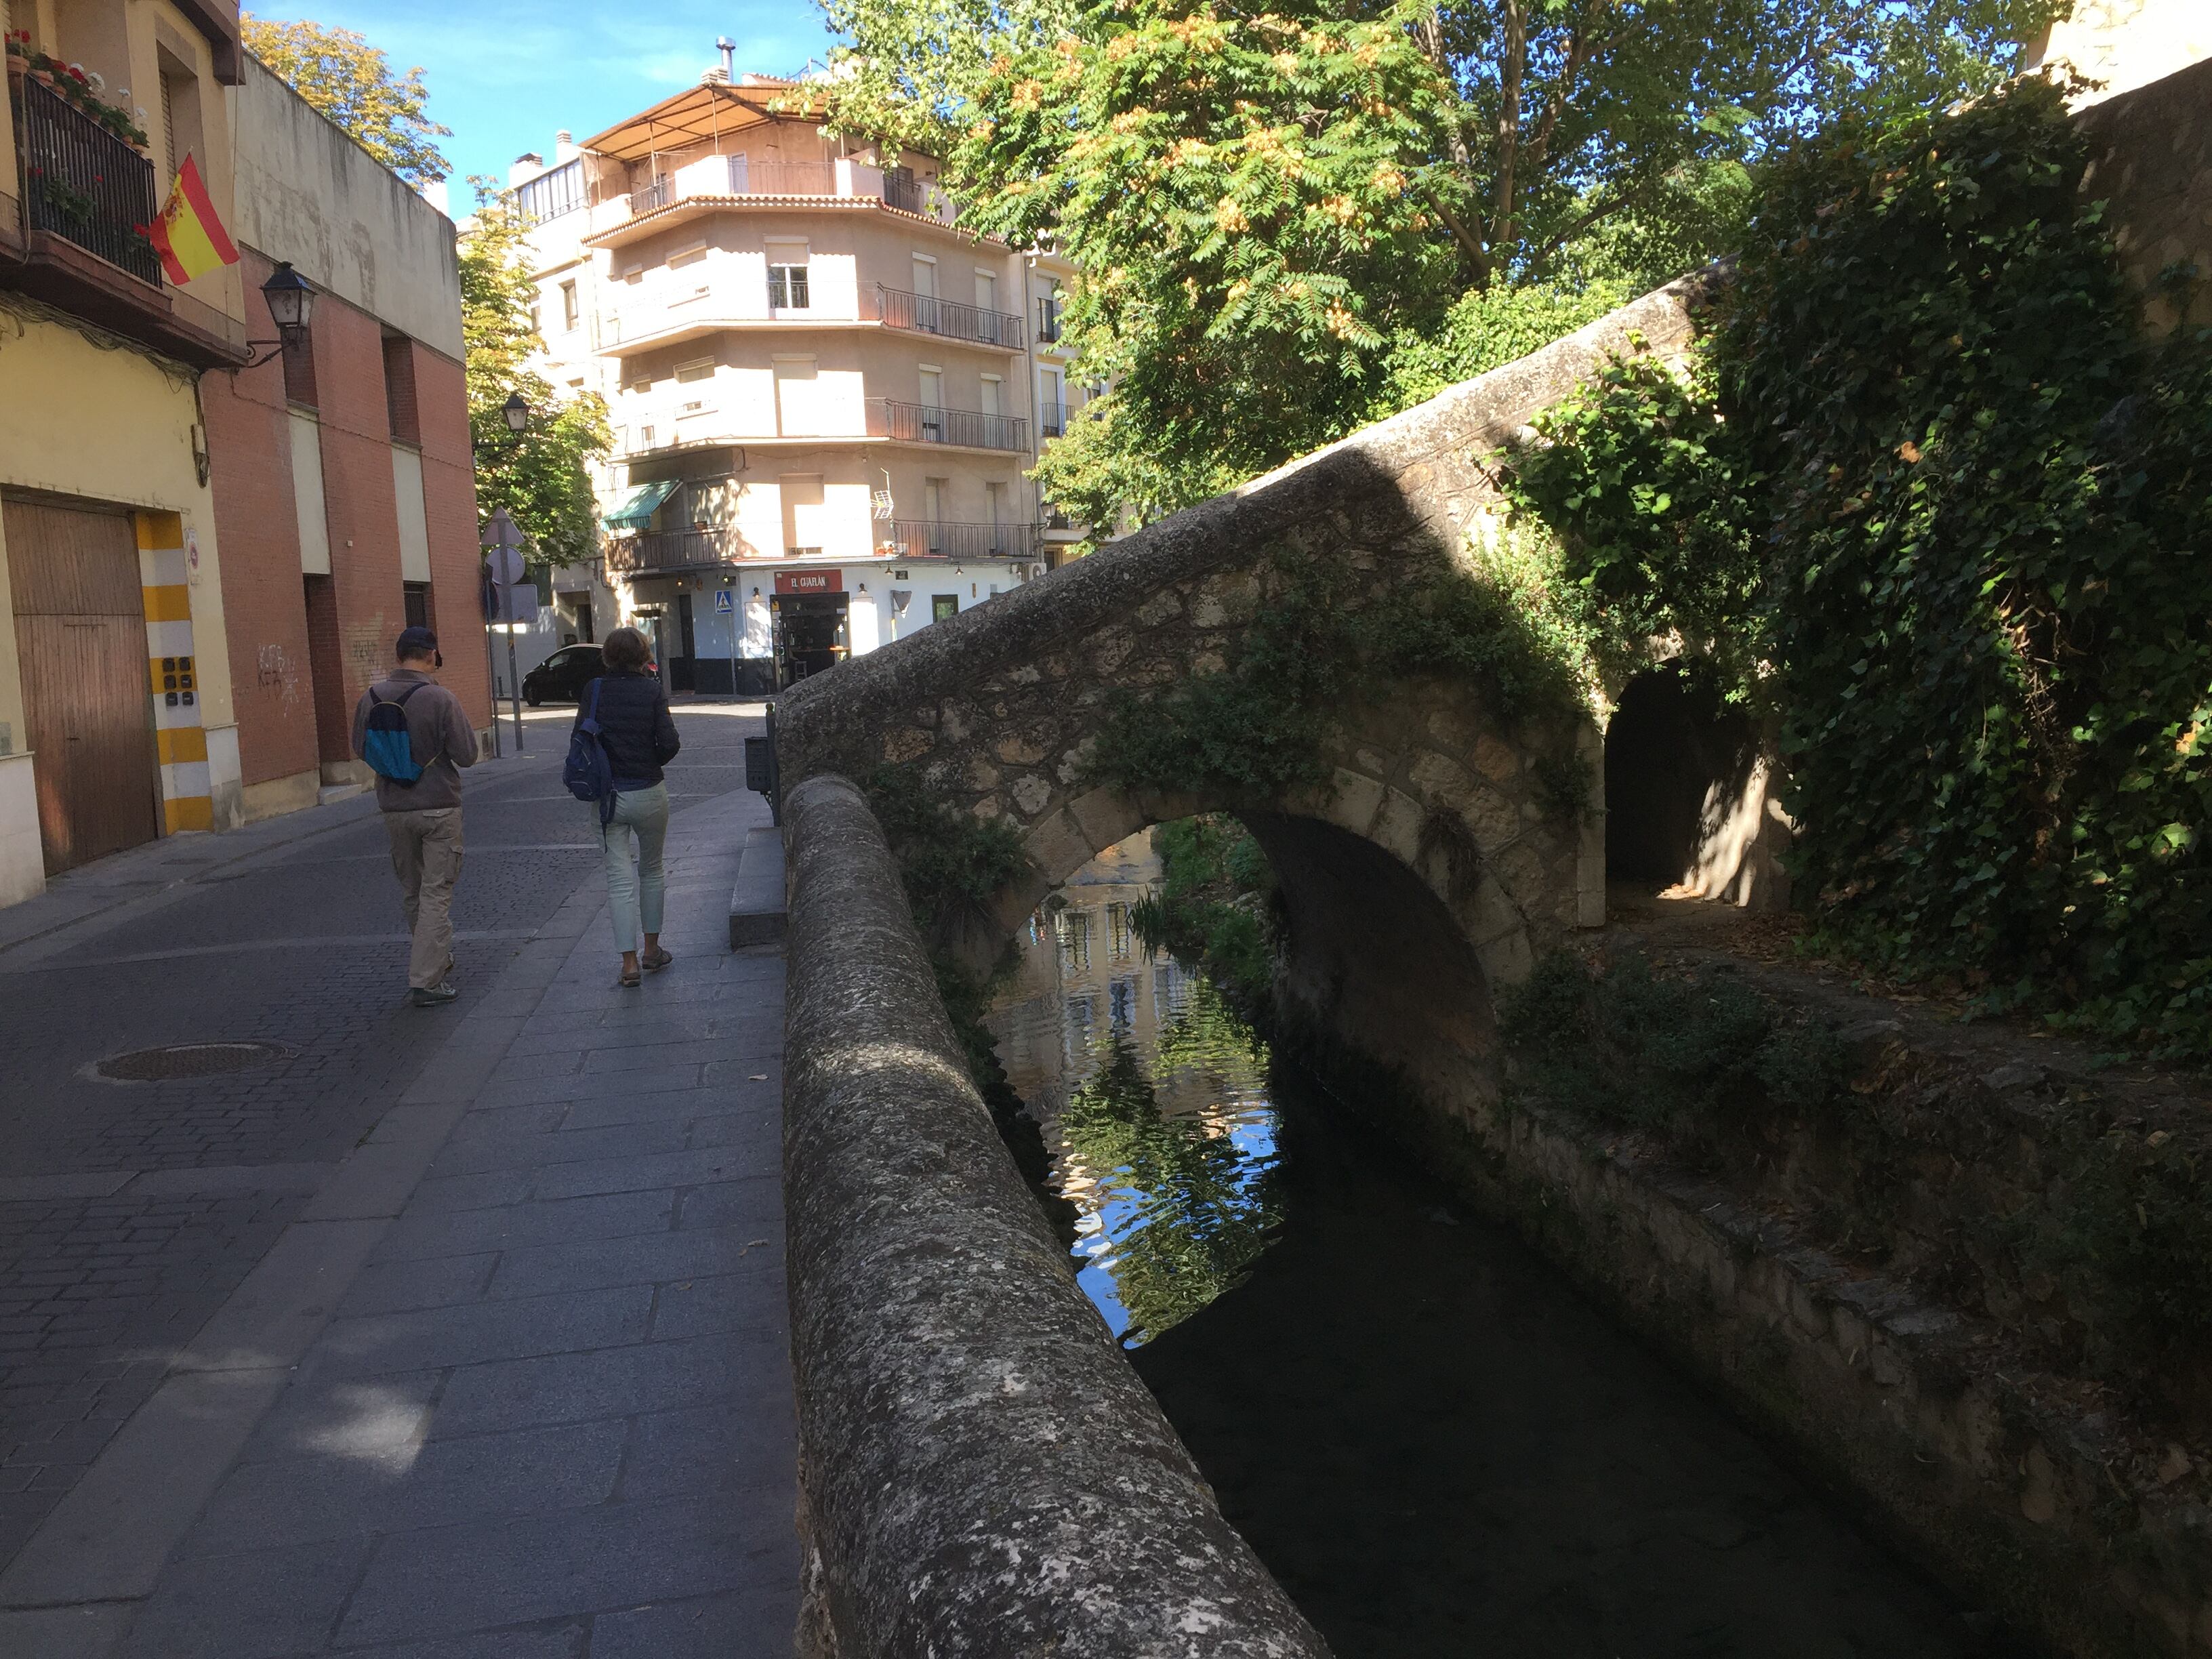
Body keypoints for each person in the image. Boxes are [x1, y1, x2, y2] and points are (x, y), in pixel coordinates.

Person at [352, 626, 479, 1008]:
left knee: (413, 891)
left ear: (399, 654)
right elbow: (467, 754)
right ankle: (426, 980)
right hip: (439, 805)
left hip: (394, 807)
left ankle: (434, 957)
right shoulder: (440, 698)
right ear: (431, 655)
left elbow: (360, 747)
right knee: (437, 893)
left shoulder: (370, 697)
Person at [582, 626, 680, 987]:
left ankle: (628, 965)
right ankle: (652, 951)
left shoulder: (593, 690)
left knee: (618, 879)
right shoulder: (652, 691)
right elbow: (670, 742)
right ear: (644, 656)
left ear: (607, 655)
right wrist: (648, 760)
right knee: (652, 870)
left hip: (608, 797)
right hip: (648, 791)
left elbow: (581, 739)